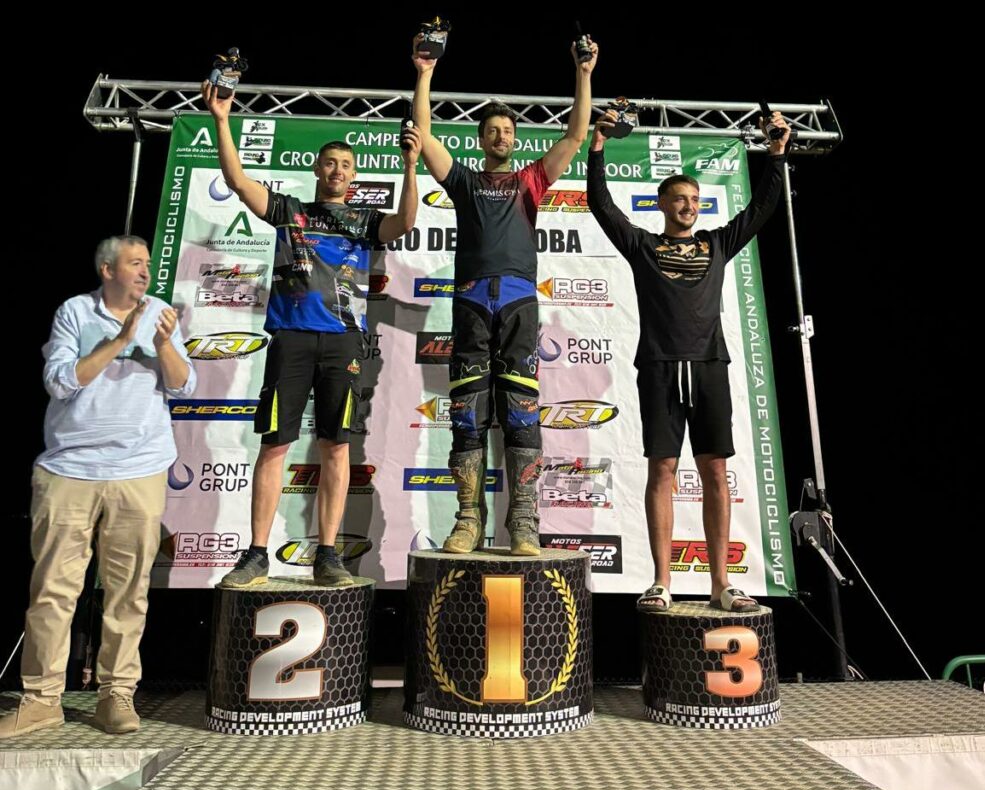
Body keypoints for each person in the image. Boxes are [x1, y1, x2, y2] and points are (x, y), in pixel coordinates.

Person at [202, 79, 422, 587]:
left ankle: (328, 555)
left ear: (355, 174)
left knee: (336, 448)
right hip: (291, 340)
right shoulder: (289, 211)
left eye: (346, 165)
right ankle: (257, 553)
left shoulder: (365, 221)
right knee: (275, 445)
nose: (337, 170)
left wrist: (411, 167)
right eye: (330, 163)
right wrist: (220, 119)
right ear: (316, 168)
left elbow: (406, 222)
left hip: (343, 343)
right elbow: (237, 180)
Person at [586, 108, 790, 611]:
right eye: (680, 199)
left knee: (716, 471)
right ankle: (662, 580)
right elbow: (600, 204)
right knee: (663, 470)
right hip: (658, 366)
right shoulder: (642, 245)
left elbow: (761, 209)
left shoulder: (716, 244)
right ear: (662, 203)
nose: (689, 207)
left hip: (708, 366)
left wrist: (777, 155)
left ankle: (722, 583)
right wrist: (597, 146)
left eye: (695, 200)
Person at [0, 235, 196, 737]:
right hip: (69, 472)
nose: (145, 273)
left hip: (139, 471)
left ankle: (116, 695)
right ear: (107, 269)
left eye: (147, 264)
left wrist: (160, 343)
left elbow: (183, 384)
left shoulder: (159, 315)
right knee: (52, 591)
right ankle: (42, 698)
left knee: (129, 593)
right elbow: (61, 381)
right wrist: (118, 339)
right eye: (134, 264)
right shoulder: (74, 313)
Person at [411, 32, 598, 555]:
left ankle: (524, 522)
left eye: (507, 130)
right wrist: (425, 73)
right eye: (491, 129)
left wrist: (582, 74)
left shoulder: (532, 180)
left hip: (517, 302)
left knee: (520, 409)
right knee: (467, 410)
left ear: (514, 139)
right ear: (480, 139)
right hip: (471, 300)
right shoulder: (466, 181)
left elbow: (576, 135)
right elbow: (423, 137)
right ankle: (468, 519)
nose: (500, 135)